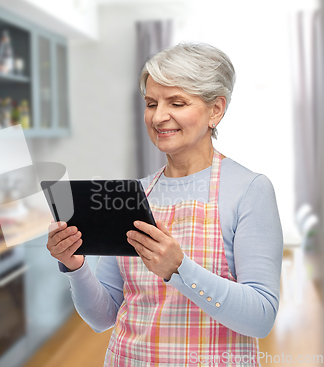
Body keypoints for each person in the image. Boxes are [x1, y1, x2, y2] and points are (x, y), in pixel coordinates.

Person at [46, 42, 283, 366]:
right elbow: (103, 315)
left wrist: (179, 269)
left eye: (177, 102)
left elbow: (261, 317)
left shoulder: (249, 190)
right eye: (151, 103)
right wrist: (75, 265)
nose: (158, 116)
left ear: (216, 110)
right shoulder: (135, 193)